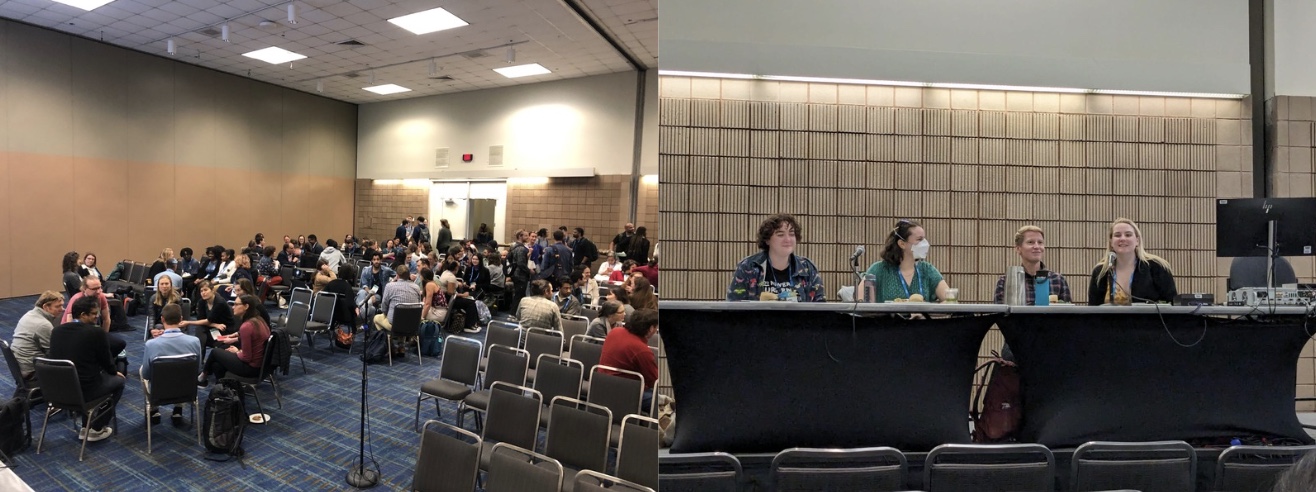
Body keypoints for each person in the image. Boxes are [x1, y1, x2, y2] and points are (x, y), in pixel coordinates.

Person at [48, 295, 126, 442]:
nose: (97, 317)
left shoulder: (56, 331)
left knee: (87, 375)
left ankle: (85, 425)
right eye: (94, 314)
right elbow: (107, 363)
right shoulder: (96, 333)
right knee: (119, 383)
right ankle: (96, 428)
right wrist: (115, 372)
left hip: (58, 391)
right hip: (85, 390)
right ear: (83, 315)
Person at [727, 214, 826, 302]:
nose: (787, 239)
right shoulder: (748, 266)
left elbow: (820, 309)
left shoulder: (807, 268)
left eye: (791, 234)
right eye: (780, 235)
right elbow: (733, 307)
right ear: (767, 240)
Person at [1088, 218, 1177, 305]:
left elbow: (1172, 303)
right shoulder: (1100, 272)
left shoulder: (1157, 267)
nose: (1122, 238)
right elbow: (1092, 311)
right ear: (1111, 242)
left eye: (1128, 235)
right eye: (1117, 235)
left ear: (1137, 240)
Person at [864, 219, 951, 303]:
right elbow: (862, 303)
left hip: (922, 318)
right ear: (902, 244)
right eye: (919, 239)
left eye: (924, 239)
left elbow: (950, 301)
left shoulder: (928, 270)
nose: (925, 244)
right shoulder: (878, 270)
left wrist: (928, 313)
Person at [142, 304, 202, 425]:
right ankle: (178, 409)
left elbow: (147, 374)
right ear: (181, 319)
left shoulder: (151, 344)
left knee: (142, 371)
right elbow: (198, 370)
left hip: (159, 392)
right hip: (186, 391)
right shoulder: (195, 341)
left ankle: (153, 409)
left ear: (162, 319)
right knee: (182, 371)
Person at [199, 295, 270, 385]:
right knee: (216, 365)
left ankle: (202, 377)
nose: (233, 307)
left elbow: (246, 357)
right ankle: (224, 389)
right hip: (261, 367)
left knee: (215, 352)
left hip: (251, 369)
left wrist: (237, 352)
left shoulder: (247, 326)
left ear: (246, 306)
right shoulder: (258, 320)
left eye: (236, 304)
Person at [993, 225, 1073, 304]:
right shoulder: (1006, 282)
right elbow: (1000, 315)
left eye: (1040, 242)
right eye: (1030, 242)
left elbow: (1068, 314)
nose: (1037, 246)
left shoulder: (1057, 280)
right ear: (1018, 249)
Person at [599, 308, 659, 411]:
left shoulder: (614, 332)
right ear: (651, 329)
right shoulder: (641, 350)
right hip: (624, 392)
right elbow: (655, 381)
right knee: (659, 399)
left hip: (600, 385)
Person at [61, 277, 128, 357]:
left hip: (91, 330)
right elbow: (70, 323)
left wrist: (103, 337)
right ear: (84, 289)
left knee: (117, 345)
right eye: (95, 289)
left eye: (100, 287)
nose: (99, 291)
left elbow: (106, 319)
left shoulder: (101, 297)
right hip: (74, 332)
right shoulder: (77, 299)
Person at [12, 291, 64, 381]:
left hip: (19, 366)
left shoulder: (29, 315)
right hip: (31, 370)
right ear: (45, 307)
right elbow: (54, 353)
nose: (62, 309)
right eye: (58, 306)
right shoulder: (43, 325)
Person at [181, 280, 235, 348]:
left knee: (202, 338)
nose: (203, 293)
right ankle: (200, 354)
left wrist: (188, 322)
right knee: (200, 329)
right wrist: (215, 325)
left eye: (205, 290)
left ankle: (201, 351)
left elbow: (208, 321)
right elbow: (201, 319)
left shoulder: (220, 302)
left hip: (224, 328)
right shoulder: (202, 302)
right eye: (201, 291)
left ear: (212, 290)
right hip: (212, 326)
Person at [374, 266, 423, 332]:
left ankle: (386, 339)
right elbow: (418, 304)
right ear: (409, 275)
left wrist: (386, 314)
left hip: (395, 325)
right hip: (413, 325)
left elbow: (384, 307)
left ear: (397, 275)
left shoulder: (389, 286)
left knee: (376, 318)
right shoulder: (416, 287)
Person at [508, 230, 532, 312]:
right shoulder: (521, 249)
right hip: (520, 275)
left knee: (519, 294)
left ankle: (516, 312)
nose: (527, 237)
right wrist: (529, 271)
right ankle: (513, 313)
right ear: (520, 236)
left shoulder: (514, 247)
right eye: (525, 236)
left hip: (515, 274)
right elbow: (521, 263)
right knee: (519, 295)